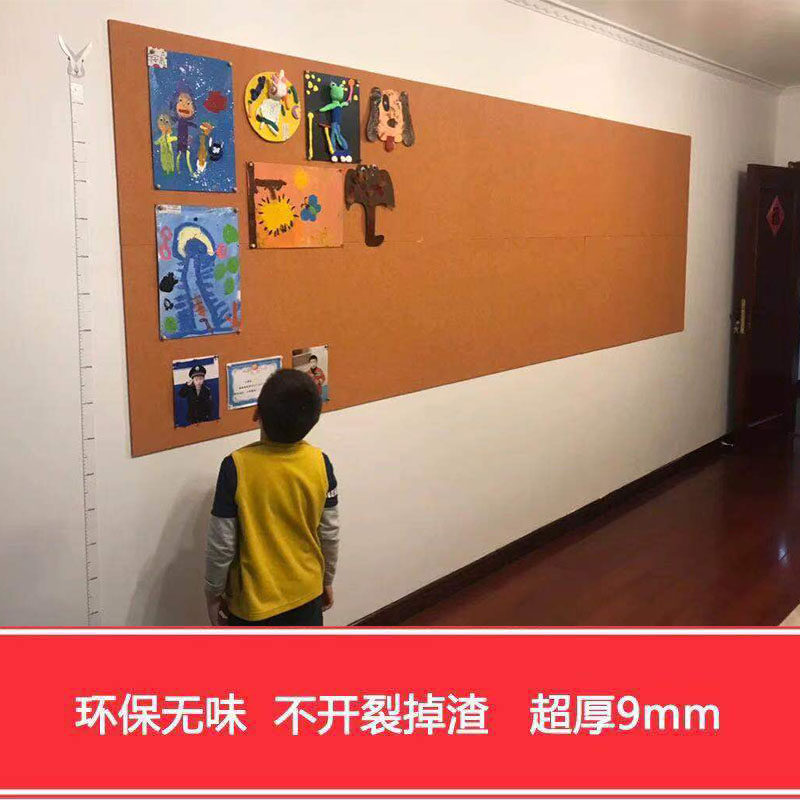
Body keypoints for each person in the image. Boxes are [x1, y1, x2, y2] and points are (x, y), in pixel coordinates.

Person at [204, 369, 339, 626]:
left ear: (257, 413)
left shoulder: (235, 467)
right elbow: (329, 534)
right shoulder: (321, 463)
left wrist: (213, 593)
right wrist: (327, 579)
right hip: (307, 594)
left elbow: (221, 544)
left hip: (253, 606)